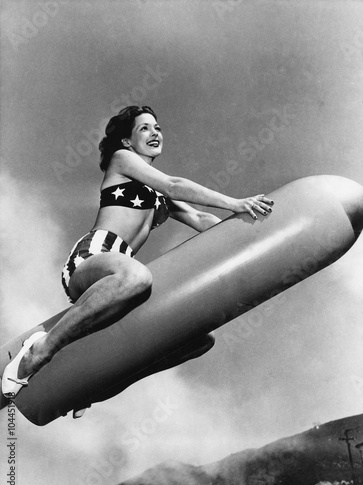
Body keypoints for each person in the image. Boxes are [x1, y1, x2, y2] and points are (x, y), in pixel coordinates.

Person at [2, 105, 274, 405]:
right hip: (93, 256)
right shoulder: (121, 160)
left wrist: (256, 231)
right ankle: (39, 351)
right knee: (137, 275)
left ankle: (94, 387)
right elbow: (174, 184)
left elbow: (201, 220)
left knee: (198, 341)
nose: (155, 132)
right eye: (144, 128)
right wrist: (235, 202)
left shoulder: (160, 197)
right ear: (127, 142)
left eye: (157, 127)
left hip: (122, 274)